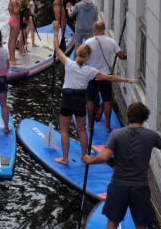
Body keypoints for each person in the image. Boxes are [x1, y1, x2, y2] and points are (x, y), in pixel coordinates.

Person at [82, 102, 161, 229]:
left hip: (118, 187)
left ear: (129, 115)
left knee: (112, 224)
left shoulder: (116, 134)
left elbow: (104, 157)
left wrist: (91, 160)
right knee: (141, 226)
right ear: (145, 118)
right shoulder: (151, 135)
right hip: (140, 188)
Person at [51, 21, 137, 165]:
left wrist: (55, 31)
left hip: (67, 99)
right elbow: (110, 77)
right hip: (79, 100)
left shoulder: (69, 64)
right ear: (88, 56)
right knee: (82, 130)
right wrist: (127, 80)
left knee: (64, 130)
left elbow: (57, 49)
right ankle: (85, 156)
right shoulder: (91, 71)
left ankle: (65, 159)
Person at [85, 21, 127, 132]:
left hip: (93, 75)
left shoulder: (88, 42)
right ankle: (108, 126)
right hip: (106, 76)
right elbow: (122, 57)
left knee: (90, 100)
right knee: (107, 100)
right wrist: (128, 54)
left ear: (94, 29)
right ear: (104, 29)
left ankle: (89, 125)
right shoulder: (111, 42)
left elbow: (83, 58)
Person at [7, 0, 25, 65]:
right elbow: (15, 11)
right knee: (13, 41)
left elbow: (10, 10)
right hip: (15, 21)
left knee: (11, 40)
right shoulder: (14, 0)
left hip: (11, 20)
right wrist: (20, 5)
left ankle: (11, 57)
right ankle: (13, 60)